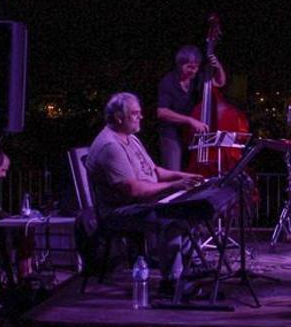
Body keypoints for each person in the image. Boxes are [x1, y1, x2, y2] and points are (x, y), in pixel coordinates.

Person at [86, 92, 204, 291]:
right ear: (118, 117)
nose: (140, 117)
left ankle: (189, 272)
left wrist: (182, 176)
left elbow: (154, 171)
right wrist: (172, 187)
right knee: (173, 220)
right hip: (118, 211)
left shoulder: (131, 138)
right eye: (135, 113)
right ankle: (172, 283)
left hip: (139, 202)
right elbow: (133, 189)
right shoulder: (110, 146)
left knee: (192, 213)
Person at [156, 45, 228, 171]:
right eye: (189, 67)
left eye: (196, 67)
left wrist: (218, 67)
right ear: (179, 65)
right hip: (171, 133)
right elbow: (161, 112)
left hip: (191, 133)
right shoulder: (168, 82)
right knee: (174, 172)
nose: (193, 71)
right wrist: (190, 120)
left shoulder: (197, 79)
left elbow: (220, 82)